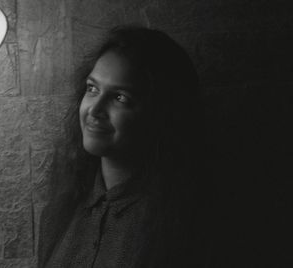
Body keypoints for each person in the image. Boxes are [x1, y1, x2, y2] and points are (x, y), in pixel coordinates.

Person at [38, 26, 211, 268]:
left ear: (160, 113)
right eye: (92, 89)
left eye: (120, 97)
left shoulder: (186, 223)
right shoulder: (63, 209)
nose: (95, 110)